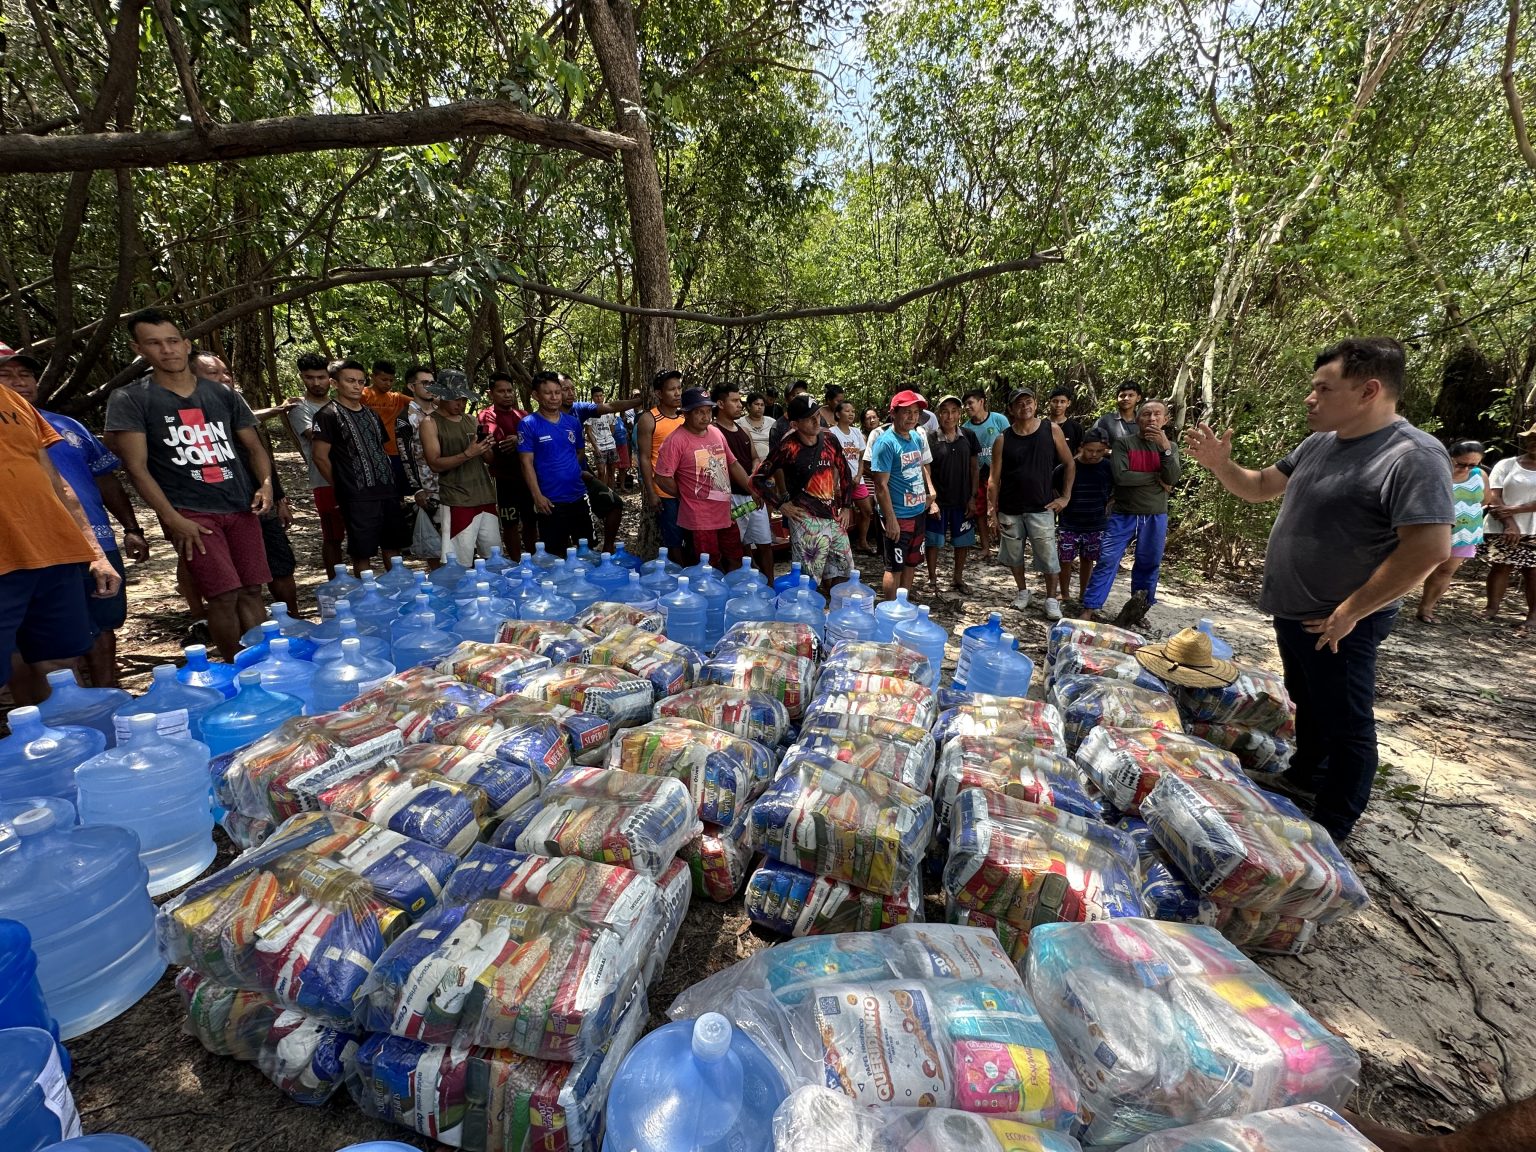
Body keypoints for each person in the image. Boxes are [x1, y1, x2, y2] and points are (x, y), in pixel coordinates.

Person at [1185, 336, 1452, 843]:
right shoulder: (1319, 444)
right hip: (1296, 610)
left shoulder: (1412, 456)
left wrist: (1352, 610)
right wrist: (1222, 466)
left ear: (1369, 389)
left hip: (1341, 619)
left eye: (1322, 388)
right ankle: (1303, 778)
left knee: (1347, 724)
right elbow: (1261, 485)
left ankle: (1333, 824)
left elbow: (1429, 548)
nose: (1310, 398)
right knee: (1306, 701)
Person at [106, 308, 273, 661]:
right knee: (223, 594)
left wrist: (267, 485)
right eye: (154, 344)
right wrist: (172, 518)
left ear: (185, 344)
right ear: (139, 350)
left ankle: (267, 663)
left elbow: (254, 447)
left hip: (240, 505)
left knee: (252, 590)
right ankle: (233, 667)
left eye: (172, 341)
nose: (166, 351)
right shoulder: (131, 399)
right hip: (192, 512)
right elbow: (136, 468)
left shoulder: (222, 394)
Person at [1, 349, 140, 695]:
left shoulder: (20, 408)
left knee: (59, 660)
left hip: (55, 556)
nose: (17, 381)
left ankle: (67, 740)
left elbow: (57, 483)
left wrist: (94, 552)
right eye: (6, 373)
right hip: (6, 563)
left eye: (23, 373)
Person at [193, 350, 298, 618]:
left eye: (226, 372)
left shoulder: (234, 405)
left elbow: (258, 455)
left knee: (280, 565)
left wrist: (278, 497)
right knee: (233, 583)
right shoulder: (186, 413)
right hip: (215, 510)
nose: (225, 378)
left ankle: (292, 620)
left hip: (259, 503)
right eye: (214, 373)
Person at [1082, 398, 1181, 627]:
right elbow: (1122, 477)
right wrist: (1156, 478)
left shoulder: (1170, 448)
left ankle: (1138, 612)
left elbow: (1173, 478)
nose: (1152, 419)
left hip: (1155, 515)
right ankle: (1090, 607)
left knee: (1149, 563)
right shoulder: (1124, 444)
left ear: (1165, 420)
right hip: (1123, 514)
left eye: (1157, 414)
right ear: (1138, 419)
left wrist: (1165, 448)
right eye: (1146, 414)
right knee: (1107, 560)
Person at [311, 358, 408, 578]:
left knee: (393, 547)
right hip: (356, 495)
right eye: (350, 381)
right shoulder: (327, 415)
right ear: (335, 383)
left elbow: (380, 448)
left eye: (360, 381)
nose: (357, 386)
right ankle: (367, 598)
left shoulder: (371, 414)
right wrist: (342, 485)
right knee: (362, 551)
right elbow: (320, 456)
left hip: (386, 490)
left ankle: (398, 591)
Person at [753, 392, 854, 591]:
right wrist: (781, 505)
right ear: (794, 424)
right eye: (809, 419)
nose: (816, 422)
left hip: (833, 516)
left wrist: (847, 506)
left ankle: (838, 611)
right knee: (809, 579)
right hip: (805, 520)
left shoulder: (830, 440)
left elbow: (844, 472)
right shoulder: (787, 446)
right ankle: (808, 615)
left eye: (817, 415)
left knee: (844, 570)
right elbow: (758, 480)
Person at [987, 385, 1073, 619]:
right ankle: (1023, 592)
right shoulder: (1003, 439)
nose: (1024, 407)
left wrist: (1065, 496)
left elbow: (1070, 463)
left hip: (1041, 506)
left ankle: (1051, 599)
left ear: (1035, 404)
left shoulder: (1051, 430)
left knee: (1048, 556)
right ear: (1011, 409)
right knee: (1014, 555)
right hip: (1010, 509)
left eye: (1028, 402)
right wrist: (991, 511)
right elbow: (994, 479)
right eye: (1019, 403)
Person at [655, 387, 757, 570]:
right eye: (699, 412)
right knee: (707, 566)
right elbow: (662, 478)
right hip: (699, 518)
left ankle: (732, 596)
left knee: (735, 558)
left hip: (725, 512)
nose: (705, 417)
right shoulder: (675, 440)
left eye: (708, 411)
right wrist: (686, 494)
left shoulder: (716, 432)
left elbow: (733, 464)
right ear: (685, 413)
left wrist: (752, 490)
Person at [418, 370, 499, 565]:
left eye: (463, 399)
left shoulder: (471, 420)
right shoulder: (430, 423)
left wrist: (486, 447)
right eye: (455, 399)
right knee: (459, 562)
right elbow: (435, 463)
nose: (460, 404)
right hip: (457, 498)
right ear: (442, 396)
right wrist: (467, 454)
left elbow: (489, 459)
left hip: (484, 495)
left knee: (494, 557)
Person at [520, 371, 599, 553]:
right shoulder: (528, 424)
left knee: (587, 552)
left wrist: (569, 471)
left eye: (557, 392)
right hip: (550, 502)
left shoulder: (572, 422)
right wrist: (537, 496)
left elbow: (579, 452)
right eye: (548, 393)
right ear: (536, 395)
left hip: (578, 496)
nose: (554, 397)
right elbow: (526, 463)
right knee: (556, 557)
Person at [870, 390, 938, 599]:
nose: (912, 417)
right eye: (906, 412)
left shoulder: (916, 438)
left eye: (916, 412)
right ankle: (890, 610)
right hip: (898, 515)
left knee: (911, 562)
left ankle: (903, 604)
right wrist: (890, 519)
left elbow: (920, 467)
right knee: (895, 566)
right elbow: (880, 485)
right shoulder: (885, 442)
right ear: (893, 413)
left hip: (918, 512)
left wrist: (930, 493)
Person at [287, 350, 344, 573]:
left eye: (321, 377)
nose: (316, 382)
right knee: (332, 537)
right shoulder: (299, 408)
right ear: (302, 377)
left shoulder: (340, 404)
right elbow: (318, 436)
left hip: (353, 478)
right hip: (324, 480)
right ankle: (336, 585)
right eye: (310, 377)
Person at [1416, 440, 1485, 624]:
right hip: (1430, 531)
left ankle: (1426, 608)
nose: (1465, 469)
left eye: (1472, 465)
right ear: (1450, 457)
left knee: (1445, 571)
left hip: (1465, 533)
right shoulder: (1435, 472)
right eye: (1461, 464)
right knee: (1413, 568)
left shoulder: (1479, 475)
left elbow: (1486, 499)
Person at [713, 382, 775, 578]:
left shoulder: (744, 430)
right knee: (736, 545)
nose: (740, 405)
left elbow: (755, 456)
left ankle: (770, 586)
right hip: (731, 498)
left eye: (740, 401)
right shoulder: (713, 432)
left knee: (764, 542)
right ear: (720, 404)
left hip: (753, 496)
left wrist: (754, 475)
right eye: (734, 401)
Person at [924, 395, 982, 594]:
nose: (949, 416)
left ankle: (958, 578)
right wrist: (930, 500)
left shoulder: (969, 436)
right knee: (933, 542)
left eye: (954, 411)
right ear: (939, 414)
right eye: (945, 411)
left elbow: (975, 469)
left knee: (963, 541)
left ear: (959, 413)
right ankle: (932, 580)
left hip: (962, 499)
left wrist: (973, 497)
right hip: (938, 501)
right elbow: (926, 470)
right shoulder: (929, 438)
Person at [1483, 423, 1536, 628]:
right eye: (1532, 438)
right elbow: (1493, 496)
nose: (1534, 442)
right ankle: (1491, 609)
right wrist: (1509, 523)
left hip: (1533, 528)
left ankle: (1533, 617)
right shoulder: (1506, 465)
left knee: (1532, 571)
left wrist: (1515, 509)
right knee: (1501, 566)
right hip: (1503, 526)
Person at [475, 371, 530, 557]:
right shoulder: (485, 416)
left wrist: (519, 440)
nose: (507, 395)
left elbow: (536, 440)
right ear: (491, 393)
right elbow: (499, 443)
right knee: (510, 522)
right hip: (504, 478)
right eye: (501, 391)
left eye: (510, 390)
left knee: (531, 520)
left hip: (528, 476)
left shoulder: (523, 414)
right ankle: (515, 562)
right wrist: (520, 440)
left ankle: (533, 559)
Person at [1057, 426, 1113, 607]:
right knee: (1064, 560)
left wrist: (1106, 506)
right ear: (1081, 447)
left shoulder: (1108, 467)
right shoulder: (1068, 466)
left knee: (1088, 560)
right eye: (1090, 450)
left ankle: (1083, 595)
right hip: (1069, 523)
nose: (1094, 455)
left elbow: (1115, 491)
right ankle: (1064, 595)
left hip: (1095, 523)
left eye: (1100, 451)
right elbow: (1053, 486)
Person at [398, 364, 445, 567]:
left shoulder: (441, 411)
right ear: (411, 386)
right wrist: (416, 489)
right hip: (428, 487)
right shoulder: (405, 417)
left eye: (432, 383)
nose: (429, 387)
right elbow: (405, 455)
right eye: (424, 383)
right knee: (434, 543)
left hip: (451, 483)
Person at [637, 369, 685, 557]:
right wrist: (651, 492)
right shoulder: (649, 419)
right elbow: (644, 458)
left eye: (679, 388)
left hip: (687, 489)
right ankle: (678, 574)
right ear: (659, 393)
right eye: (671, 389)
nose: (677, 393)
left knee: (690, 534)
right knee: (673, 537)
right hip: (664, 491)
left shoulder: (684, 418)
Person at [964, 388, 1010, 560]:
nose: (967, 407)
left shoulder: (999, 420)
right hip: (980, 475)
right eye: (966, 404)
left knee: (1002, 510)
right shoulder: (966, 428)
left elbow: (1011, 442)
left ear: (981, 401)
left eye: (971, 403)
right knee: (981, 512)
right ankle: (985, 548)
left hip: (1000, 474)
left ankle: (1005, 548)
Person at [828, 399, 874, 553]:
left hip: (857, 480)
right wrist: (836, 483)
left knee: (867, 510)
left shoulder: (856, 432)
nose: (851, 413)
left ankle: (862, 542)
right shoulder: (832, 433)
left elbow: (861, 457)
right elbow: (832, 461)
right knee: (839, 513)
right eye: (847, 410)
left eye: (853, 411)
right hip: (839, 481)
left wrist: (859, 475)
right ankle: (839, 545)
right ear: (837, 414)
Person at [585, 385, 619, 488]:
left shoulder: (609, 410)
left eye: (601, 396)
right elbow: (588, 431)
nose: (599, 398)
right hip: (599, 446)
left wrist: (609, 439)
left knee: (611, 471)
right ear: (593, 397)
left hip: (610, 445)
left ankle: (612, 494)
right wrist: (595, 447)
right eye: (596, 396)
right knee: (601, 471)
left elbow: (612, 428)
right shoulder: (590, 412)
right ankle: (603, 495)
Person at [769, 379, 810, 455]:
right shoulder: (777, 427)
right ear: (786, 400)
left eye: (803, 395)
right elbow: (773, 458)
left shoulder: (818, 420)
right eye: (795, 395)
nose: (801, 398)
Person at [1047, 386, 1084, 454]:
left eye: (1062, 402)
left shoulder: (1075, 427)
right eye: (1055, 401)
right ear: (1050, 402)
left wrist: (1070, 462)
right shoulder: (1040, 425)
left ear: (1068, 403)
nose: (1058, 405)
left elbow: (1082, 451)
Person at [742, 392, 773, 466]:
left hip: (772, 464)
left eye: (762, 405)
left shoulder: (772, 422)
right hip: (749, 464)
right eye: (756, 404)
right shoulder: (739, 423)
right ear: (749, 406)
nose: (760, 407)